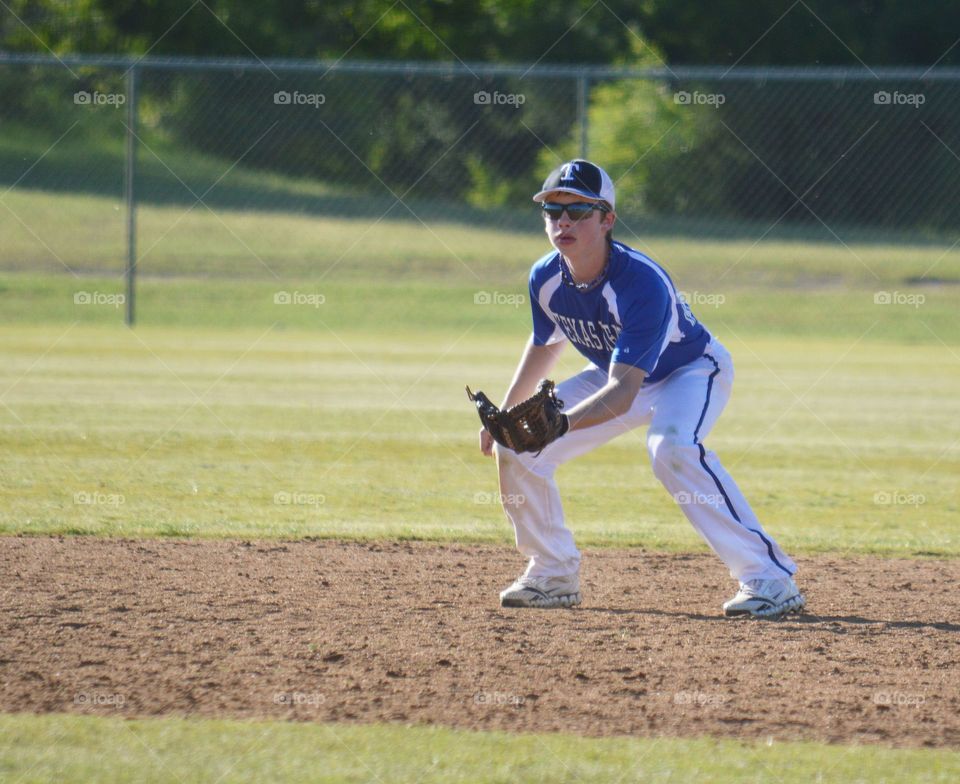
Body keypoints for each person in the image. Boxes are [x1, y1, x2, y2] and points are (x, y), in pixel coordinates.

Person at [479, 159, 805, 619]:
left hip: (689, 370)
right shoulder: (545, 277)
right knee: (516, 446)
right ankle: (552, 574)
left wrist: (562, 424)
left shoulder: (640, 282)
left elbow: (623, 393)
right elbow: (545, 345)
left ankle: (770, 579)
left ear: (607, 218)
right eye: (554, 211)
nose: (564, 221)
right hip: (618, 373)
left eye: (579, 210)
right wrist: (505, 415)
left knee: (670, 448)